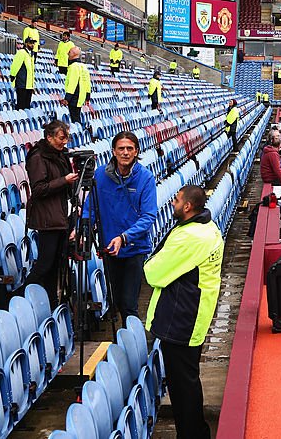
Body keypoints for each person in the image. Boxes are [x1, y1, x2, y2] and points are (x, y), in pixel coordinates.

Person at [144, 185, 223, 439]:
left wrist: (152, 262)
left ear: (188, 206)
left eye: (177, 200)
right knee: (187, 380)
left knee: (183, 386)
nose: (173, 203)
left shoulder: (189, 237)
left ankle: (192, 434)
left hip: (182, 319)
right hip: (193, 315)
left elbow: (153, 272)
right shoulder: (207, 227)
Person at [83, 131, 157, 323]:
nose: (125, 152)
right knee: (116, 301)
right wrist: (81, 229)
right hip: (109, 248)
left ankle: (133, 344)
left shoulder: (145, 178)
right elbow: (90, 207)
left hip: (134, 248)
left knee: (129, 304)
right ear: (114, 151)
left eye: (129, 149)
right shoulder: (100, 175)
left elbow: (149, 215)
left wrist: (125, 237)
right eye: (121, 148)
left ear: (136, 151)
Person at [24, 119, 78, 308]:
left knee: (56, 263)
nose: (65, 142)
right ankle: (21, 297)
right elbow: (38, 189)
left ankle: (52, 303)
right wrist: (64, 180)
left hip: (60, 215)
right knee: (45, 264)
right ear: (49, 137)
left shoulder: (59, 154)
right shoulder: (38, 157)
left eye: (67, 138)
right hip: (48, 218)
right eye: (61, 138)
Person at [64, 46, 91, 125]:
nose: (68, 54)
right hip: (81, 97)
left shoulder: (73, 67)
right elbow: (88, 83)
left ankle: (77, 132)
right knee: (77, 116)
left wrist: (67, 98)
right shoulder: (84, 66)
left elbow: (72, 83)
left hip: (74, 96)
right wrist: (87, 96)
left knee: (75, 119)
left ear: (73, 54)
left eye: (69, 52)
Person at [10, 38, 36, 110]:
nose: (32, 45)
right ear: (26, 43)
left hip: (29, 84)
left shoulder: (31, 54)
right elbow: (15, 65)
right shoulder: (21, 52)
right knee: (21, 105)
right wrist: (12, 75)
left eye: (33, 43)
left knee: (27, 106)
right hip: (22, 83)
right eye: (31, 43)